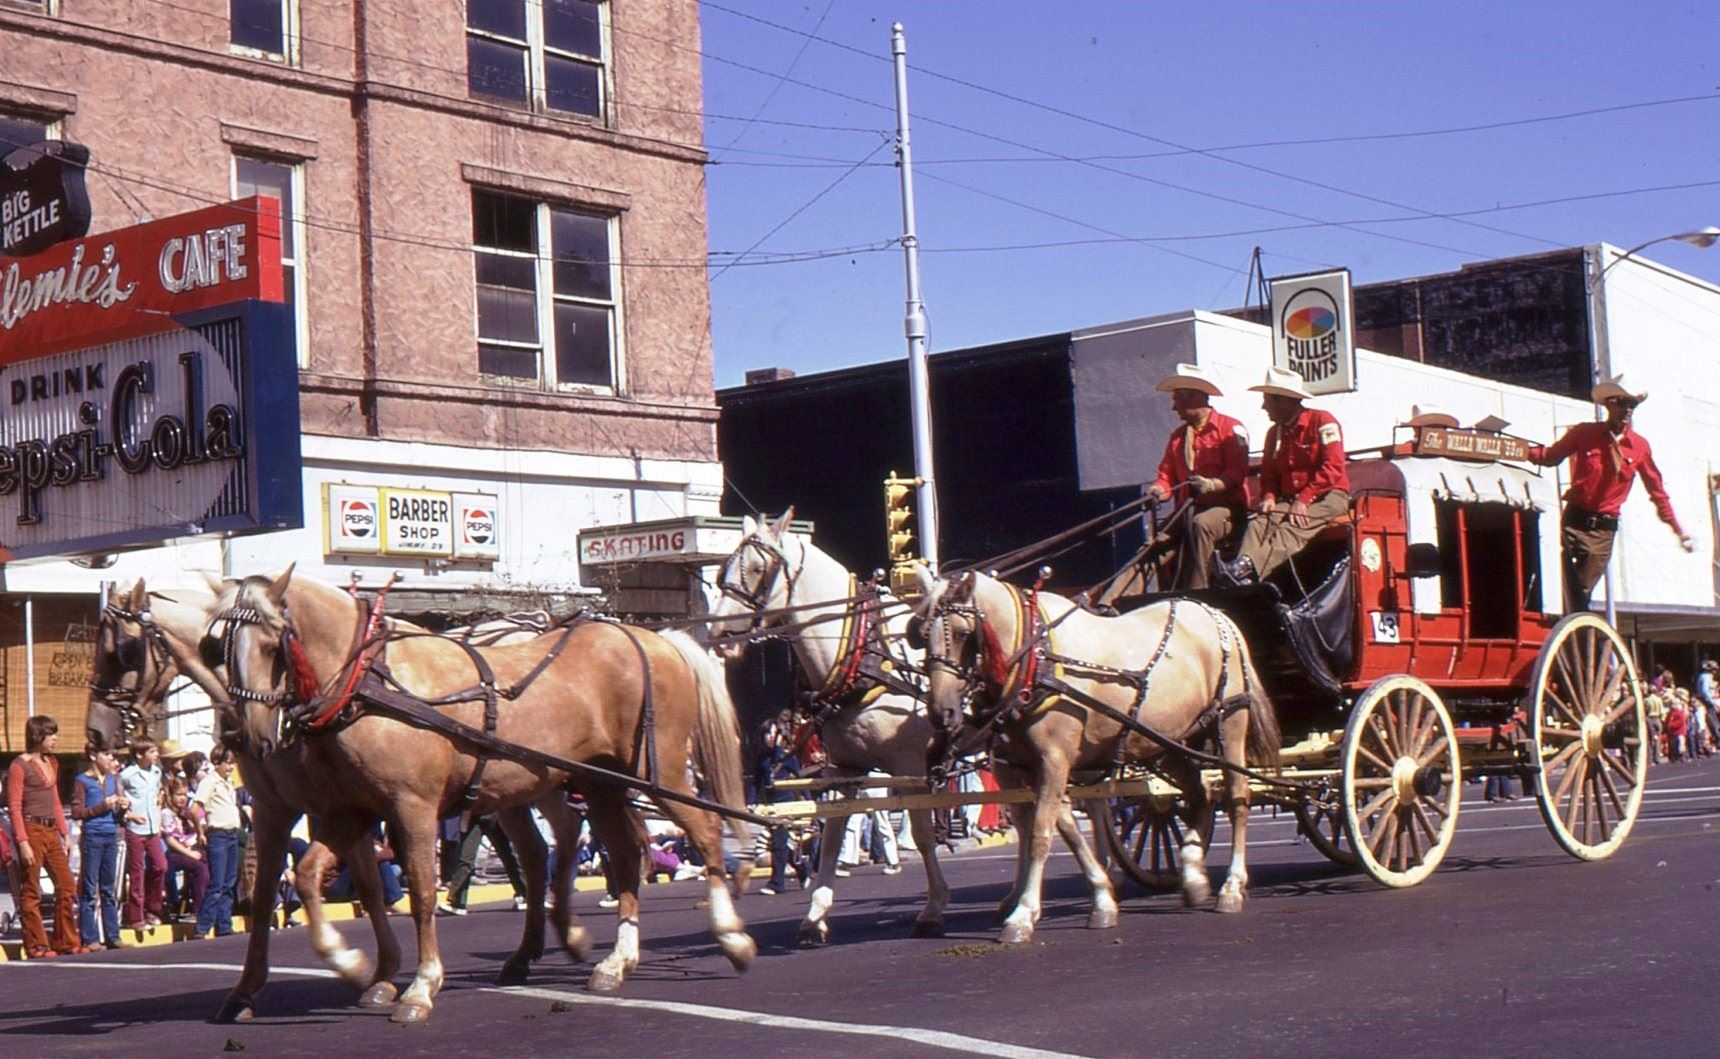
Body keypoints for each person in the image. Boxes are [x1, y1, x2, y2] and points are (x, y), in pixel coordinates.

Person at [1527, 374, 1693, 612]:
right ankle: (1545, 630)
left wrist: (1678, 530)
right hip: (1573, 521)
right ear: (1608, 404)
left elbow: (1657, 491)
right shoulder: (1584, 433)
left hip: (1602, 532)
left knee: (1579, 596)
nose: (1627, 410)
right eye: (1622, 403)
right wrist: (1519, 451)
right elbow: (1551, 456)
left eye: (1632, 404)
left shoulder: (1640, 447)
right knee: (1551, 577)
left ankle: (1570, 640)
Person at [1231, 365, 1350, 584]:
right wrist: (1268, 496)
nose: (1263, 406)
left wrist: (1305, 498)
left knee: (1293, 526)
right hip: (1292, 499)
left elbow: (1333, 467)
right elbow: (1268, 475)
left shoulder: (1323, 422)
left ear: (1284, 401)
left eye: (1267, 399)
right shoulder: (1273, 434)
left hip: (1329, 496)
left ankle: (1246, 569)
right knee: (1260, 523)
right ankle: (1241, 578)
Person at [1145, 362, 1250, 590]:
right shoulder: (1177, 437)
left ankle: (1196, 592)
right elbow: (1166, 476)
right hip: (1186, 512)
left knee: (1200, 524)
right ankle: (1109, 602)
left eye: (1176, 400)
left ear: (1193, 399)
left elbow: (1236, 473)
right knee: (1155, 544)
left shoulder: (1232, 429)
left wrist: (1210, 485)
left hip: (1228, 511)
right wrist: (1158, 490)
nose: (1174, 408)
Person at [9, 717, 89, 957]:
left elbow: (55, 801)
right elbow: (14, 806)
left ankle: (65, 940)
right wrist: (23, 842)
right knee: (32, 890)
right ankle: (36, 945)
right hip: (31, 829)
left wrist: (65, 834)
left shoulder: (51, 762)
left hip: (52, 831)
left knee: (66, 885)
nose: (55, 739)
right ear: (38, 736)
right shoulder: (18, 766)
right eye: (51, 734)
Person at [71, 743, 128, 949]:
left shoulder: (112, 780)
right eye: (106, 754)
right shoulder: (82, 781)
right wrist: (101, 807)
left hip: (110, 835)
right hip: (93, 837)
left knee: (108, 888)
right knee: (89, 888)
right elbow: (77, 813)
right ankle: (90, 937)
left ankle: (113, 935)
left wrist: (122, 807)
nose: (110, 758)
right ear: (94, 756)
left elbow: (118, 813)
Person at [189, 746, 243, 937]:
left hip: (231, 834)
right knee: (217, 883)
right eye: (227, 763)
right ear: (217, 763)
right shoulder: (210, 782)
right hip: (218, 835)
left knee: (229, 882)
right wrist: (200, 832)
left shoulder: (228, 783)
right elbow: (194, 809)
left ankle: (224, 925)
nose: (230, 767)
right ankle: (203, 926)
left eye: (232, 763)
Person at [118, 738, 168, 929]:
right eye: (152, 751)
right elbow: (120, 802)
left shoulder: (156, 773)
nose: (156, 755)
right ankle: (136, 916)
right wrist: (129, 815)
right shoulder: (127, 775)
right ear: (140, 755)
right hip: (135, 828)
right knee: (137, 872)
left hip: (152, 828)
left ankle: (153, 908)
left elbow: (157, 797)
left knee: (160, 866)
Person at [753, 715, 801, 896]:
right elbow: (756, 783)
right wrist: (753, 802)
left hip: (786, 804)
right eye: (768, 733)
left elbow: (800, 778)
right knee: (780, 843)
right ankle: (803, 868)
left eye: (775, 734)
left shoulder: (786, 757)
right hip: (770, 804)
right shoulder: (761, 758)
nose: (771, 737)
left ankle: (777, 882)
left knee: (778, 843)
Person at [161, 777, 208, 922]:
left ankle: (206, 904)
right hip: (172, 853)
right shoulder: (166, 813)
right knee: (199, 867)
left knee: (207, 860)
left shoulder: (184, 812)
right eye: (179, 795)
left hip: (187, 847)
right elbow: (170, 839)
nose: (183, 798)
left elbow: (196, 826)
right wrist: (189, 853)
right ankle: (198, 910)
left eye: (185, 794)